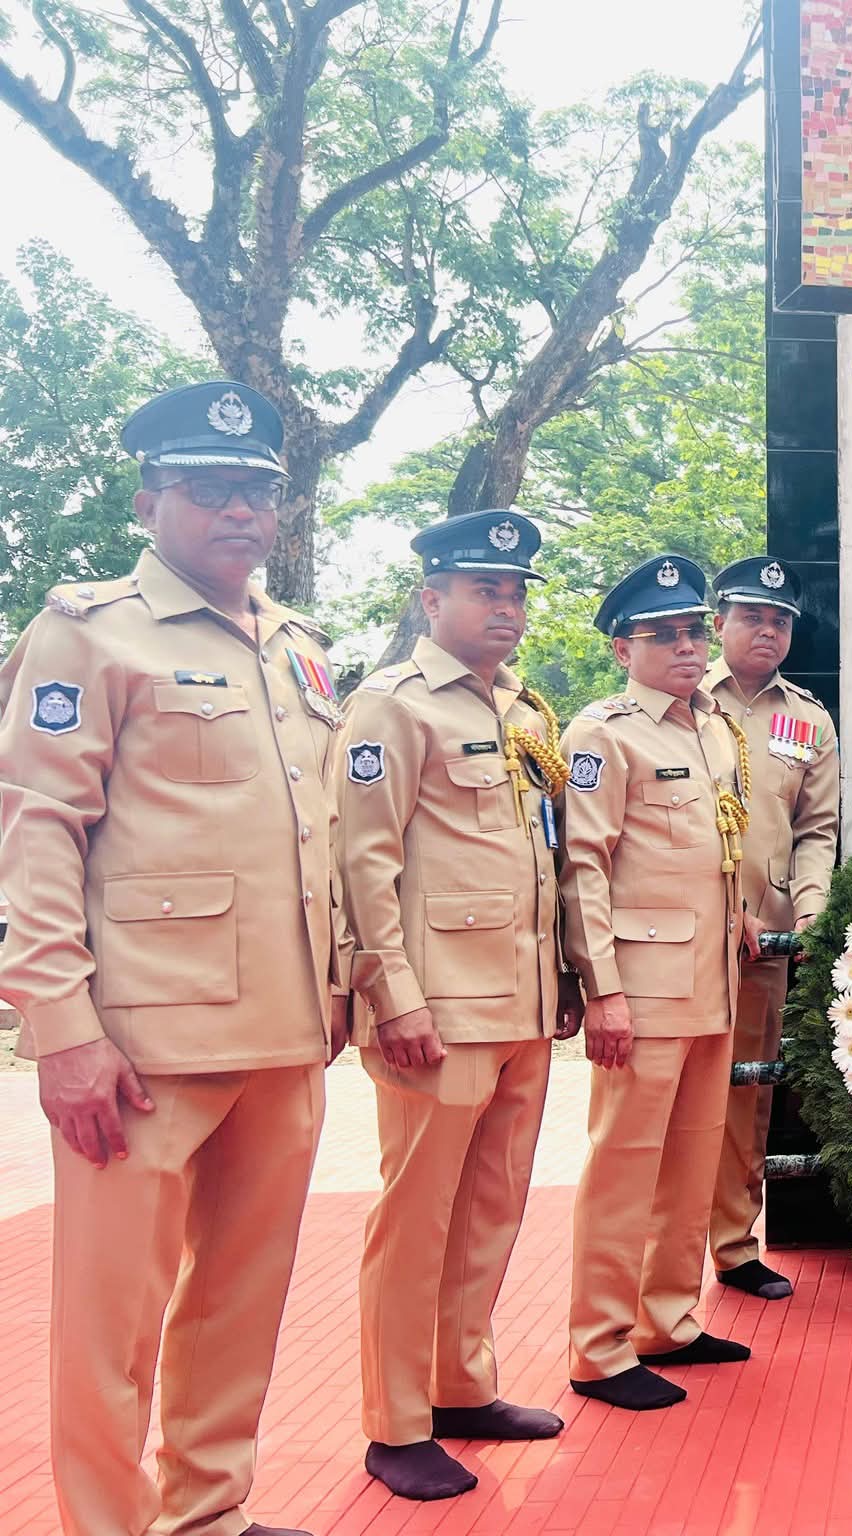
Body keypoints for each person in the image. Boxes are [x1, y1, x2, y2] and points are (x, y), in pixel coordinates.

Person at [0, 380, 349, 1536]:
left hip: (283, 1030)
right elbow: (38, 829)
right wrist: (61, 1028)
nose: (241, 511)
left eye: (258, 490)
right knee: (113, 1323)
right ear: (151, 501)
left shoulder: (297, 645)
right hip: (142, 1042)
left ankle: (209, 1513)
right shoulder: (87, 630)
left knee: (240, 1304)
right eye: (211, 488)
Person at [335, 509, 580, 1500]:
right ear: (430, 598)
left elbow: (540, 858)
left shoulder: (522, 714)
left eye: (516, 592)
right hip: (435, 1008)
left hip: (517, 1004)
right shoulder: (393, 706)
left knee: (487, 1210)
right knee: (416, 1216)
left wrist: (561, 978)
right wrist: (391, 997)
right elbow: (364, 859)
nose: (506, 609)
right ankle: (394, 1423)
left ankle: (458, 1385)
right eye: (485, 590)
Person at [561, 555, 756, 1411]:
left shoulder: (712, 727)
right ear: (620, 648)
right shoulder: (602, 734)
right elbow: (583, 867)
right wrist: (601, 988)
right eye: (662, 635)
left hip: (711, 979)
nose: (684, 646)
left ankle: (667, 1321)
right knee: (624, 1167)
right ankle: (598, 1347)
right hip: (640, 986)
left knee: (689, 1161)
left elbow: (720, 842)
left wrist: (742, 910)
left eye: (692, 631)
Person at [705, 556, 841, 1301]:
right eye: (753, 616)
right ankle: (650, 1258)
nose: (768, 630)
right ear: (719, 620)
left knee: (746, 1095)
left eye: (781, 619)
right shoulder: (683, 699)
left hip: (768, 942)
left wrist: (812, 909)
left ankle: (732, 1244)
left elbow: (816, 829)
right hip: (686, 936)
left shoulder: (807, 718)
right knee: (673, 1098)